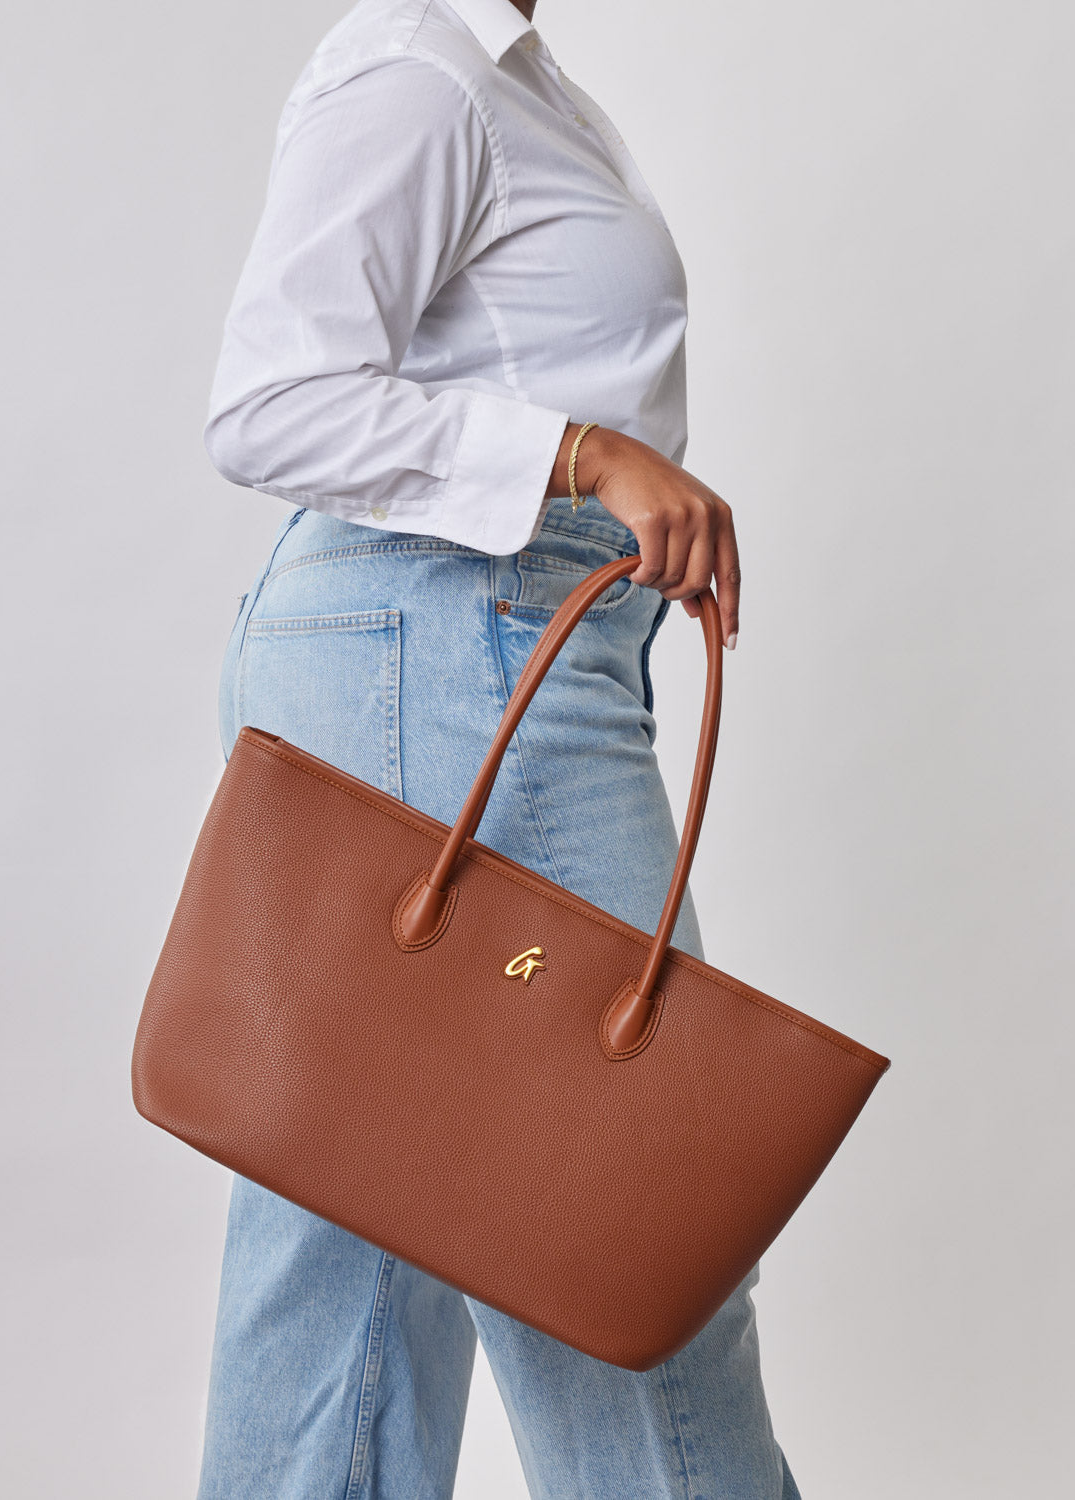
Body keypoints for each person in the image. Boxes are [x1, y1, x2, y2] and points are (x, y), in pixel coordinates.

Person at [197, 0, 800, 1495]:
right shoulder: (425, 70)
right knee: (618, 1217)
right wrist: (584, 456)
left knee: (367, 1244)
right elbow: (272, 401)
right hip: (451, 644)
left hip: (473, 645)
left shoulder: (509, 76)